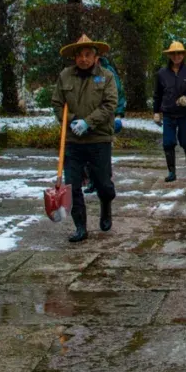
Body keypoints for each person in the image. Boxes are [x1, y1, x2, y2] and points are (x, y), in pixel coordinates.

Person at [51, 34, 118, 243]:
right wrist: (71, 121)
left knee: (104, 184)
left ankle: (106, 204)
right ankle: (80, 226)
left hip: (98, 139)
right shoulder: (65, 76)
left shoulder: (106, 77)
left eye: (88, 54)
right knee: (72, 185)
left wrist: (88, 122)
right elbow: (56, 103)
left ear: (96, 57)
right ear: (74, 57)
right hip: (73, 141)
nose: (83, 59)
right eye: (79, 55)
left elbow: (109, 104)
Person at [152, 41, 186, 182]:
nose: (176, 56)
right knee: (168, 142)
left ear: (183, 55)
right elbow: (157, 94)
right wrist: (156, 112)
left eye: (179, 53)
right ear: (169, 55)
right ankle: (171, 172)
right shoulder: (162, 73)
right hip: (169, 113)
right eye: (173, 54)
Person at [86, 54, 125, 195]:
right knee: (87, 151)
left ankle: (104, 181)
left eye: (88, 55)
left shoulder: (107, 72)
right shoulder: (80, 73)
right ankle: (92, 181)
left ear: (96, 57)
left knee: (102, 151)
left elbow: (117, 93)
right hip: (87, 118)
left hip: (105, 118)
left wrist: (118, 114)